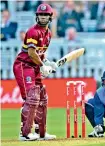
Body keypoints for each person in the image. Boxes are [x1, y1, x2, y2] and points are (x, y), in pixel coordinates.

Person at [13, 3, 57, 141]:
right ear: (37, 16)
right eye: (41, 15)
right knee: (32, 97)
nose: (43, 17)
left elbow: (40, 53)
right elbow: (31, 53)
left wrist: (48, 62)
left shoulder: (48, 34)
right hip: (24, 65)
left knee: (42, 97)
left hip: (34, 66)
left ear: (50, 17)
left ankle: (41, 133)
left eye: (46, 15)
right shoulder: (33, 31)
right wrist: (43, 65)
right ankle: (24, 133)